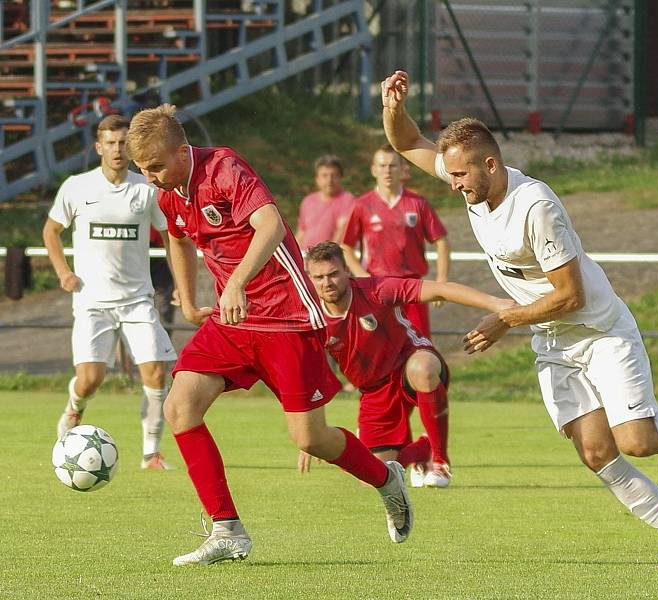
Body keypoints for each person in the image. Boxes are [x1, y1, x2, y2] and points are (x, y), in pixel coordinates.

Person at [380, 70, 658, 569]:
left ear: (490, 164)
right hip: (553, 342)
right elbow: (407, 142)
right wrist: (393, 106)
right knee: (596, 453)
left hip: (599, 331)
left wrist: (507, 319)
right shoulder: (474, 182)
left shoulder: (536, 206)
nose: (454, 184)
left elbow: (569, 296)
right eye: (452, 175)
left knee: (639, 441)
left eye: (461, 176)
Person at [126, 104, 413, 567]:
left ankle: (386, 479)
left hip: (286, 316)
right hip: (233, 320)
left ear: (183, 151)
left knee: (310, 439)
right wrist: (185, 295)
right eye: (143, 170)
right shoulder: (169, 194)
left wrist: (235, 281)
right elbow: (178, 238)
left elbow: (271, 225)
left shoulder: (223, 167)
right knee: (180, 406)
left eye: (156, 166)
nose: (151, 177)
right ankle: (226, 529)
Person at [301, 242, 512, 487]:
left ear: (347, 270)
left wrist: (497, 304)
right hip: (373, 391)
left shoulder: (376, 290)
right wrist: (311, 433)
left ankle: (440, 460)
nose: (327, 282)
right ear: (309, 279)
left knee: (422, 369)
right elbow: (309, 373)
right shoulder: (310, 317)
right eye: (319, 277)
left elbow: (441, 290)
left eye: (333, 274)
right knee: (372, 478)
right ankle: (422, 450)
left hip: (409, 362)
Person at [42, 114, 177, 471]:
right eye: (111, 143)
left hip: (137, 300)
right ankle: (75, 409)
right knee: (90, 380)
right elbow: (51, 231)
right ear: (98, 147)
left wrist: (178, 283)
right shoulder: (76, 187)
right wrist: (63, 272)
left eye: (123, 143)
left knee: (156, 373)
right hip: (91, 301)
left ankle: (151, 454)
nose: (118, 150)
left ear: (131, 149)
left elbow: (170, 235)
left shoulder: (146, 188)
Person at [340, 143, 450, 338]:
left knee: (421, 349)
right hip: (377, 287)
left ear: (402, 170)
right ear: (374, 170)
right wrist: (361, 275)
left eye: (392, 166)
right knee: (380, 350)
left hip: (413, 289)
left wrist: (442, 279)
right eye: (382, 166)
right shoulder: (362, 205)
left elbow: (441, 241)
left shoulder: (418, 204)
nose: (387, 171)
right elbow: (345, 246)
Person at [295, 154, 356, 252]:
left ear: (341, 177)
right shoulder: (308, 201)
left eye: (334, 175)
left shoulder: (347, 200)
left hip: (330, 258)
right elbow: (301, 232)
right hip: (305, 257)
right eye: (324, 175)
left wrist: (328, 255)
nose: (329, 180)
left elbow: (342, 232)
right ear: (317, 178)